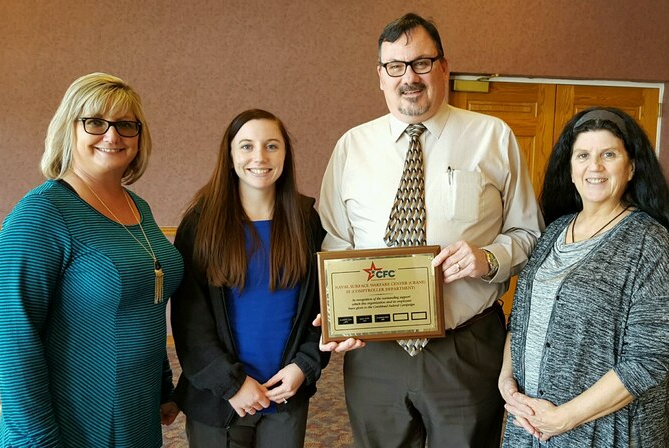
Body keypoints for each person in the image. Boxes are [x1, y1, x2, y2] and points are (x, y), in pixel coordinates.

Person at [317, 12, 543, 448]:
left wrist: (488, 257)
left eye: (421, 63)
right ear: (380, 75)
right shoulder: (351, 147)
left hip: (465, 348)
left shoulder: (492, 137)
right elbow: (336, 240)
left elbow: (529, 233)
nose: (409, 77)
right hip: (374, 352)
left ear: (443, 67)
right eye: (395, 66)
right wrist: (339, 306)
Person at [0, 72, 184, 447]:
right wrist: (40, 439)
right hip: (70, 421)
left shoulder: (138, 207)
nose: (112, 136)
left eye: (126, 125)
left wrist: (162, 386)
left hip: (134, 410)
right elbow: (15, 340)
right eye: (95, 122)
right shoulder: (41, 214)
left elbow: (145, 302)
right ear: (69, 129)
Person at [499, 107, 669, 447]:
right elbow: (521, 319)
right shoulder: (554, 232)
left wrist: (563, 418)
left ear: (632, 167)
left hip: (606, 433)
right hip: (530, 426)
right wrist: (508, 384)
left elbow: (650, 360)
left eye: (609, 154)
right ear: (571, 169)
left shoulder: (651, 244)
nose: (595, 166)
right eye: (583, 155)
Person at [171, 109, 328, 448]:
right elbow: (189, 323)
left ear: (285, 154)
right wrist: (231, 385)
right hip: (219, 397)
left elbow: (322, 308)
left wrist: (304, 365)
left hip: (286, 392)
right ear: (229, 156)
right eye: (246, 146)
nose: (260, 157)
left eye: (272, 146)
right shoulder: (200, 225)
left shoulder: (305, 221)